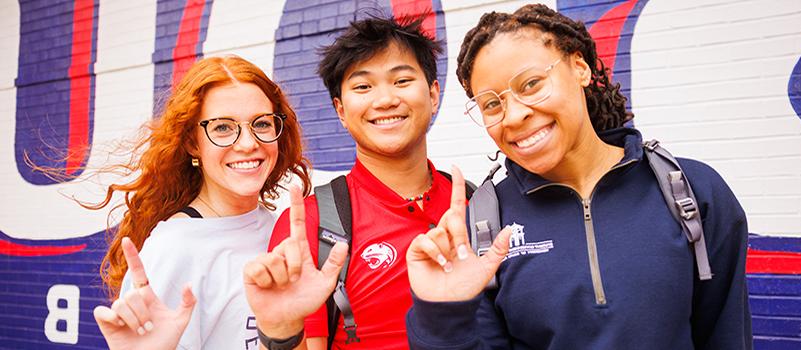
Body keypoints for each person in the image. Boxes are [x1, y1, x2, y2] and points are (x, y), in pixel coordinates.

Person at [405, 4, 752, 349]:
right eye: (492, 104)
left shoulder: (690, 192)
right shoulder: (483, 226)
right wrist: (441, 316)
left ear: (579, 68)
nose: (513, 116)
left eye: (531, 84)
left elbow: (726, 335)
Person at [244, 14, 451, 350]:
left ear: (433, 94)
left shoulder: (478, 204)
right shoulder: (311, 224)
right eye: (363, 87)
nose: (384, 100)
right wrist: (281, 331)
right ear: (340, 110)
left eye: (401, 81)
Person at [89, 55, 321, 349]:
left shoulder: (281, 230)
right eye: (222, 128)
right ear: (191, 142)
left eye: (261, 124)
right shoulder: (174, 248)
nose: (248, 143)